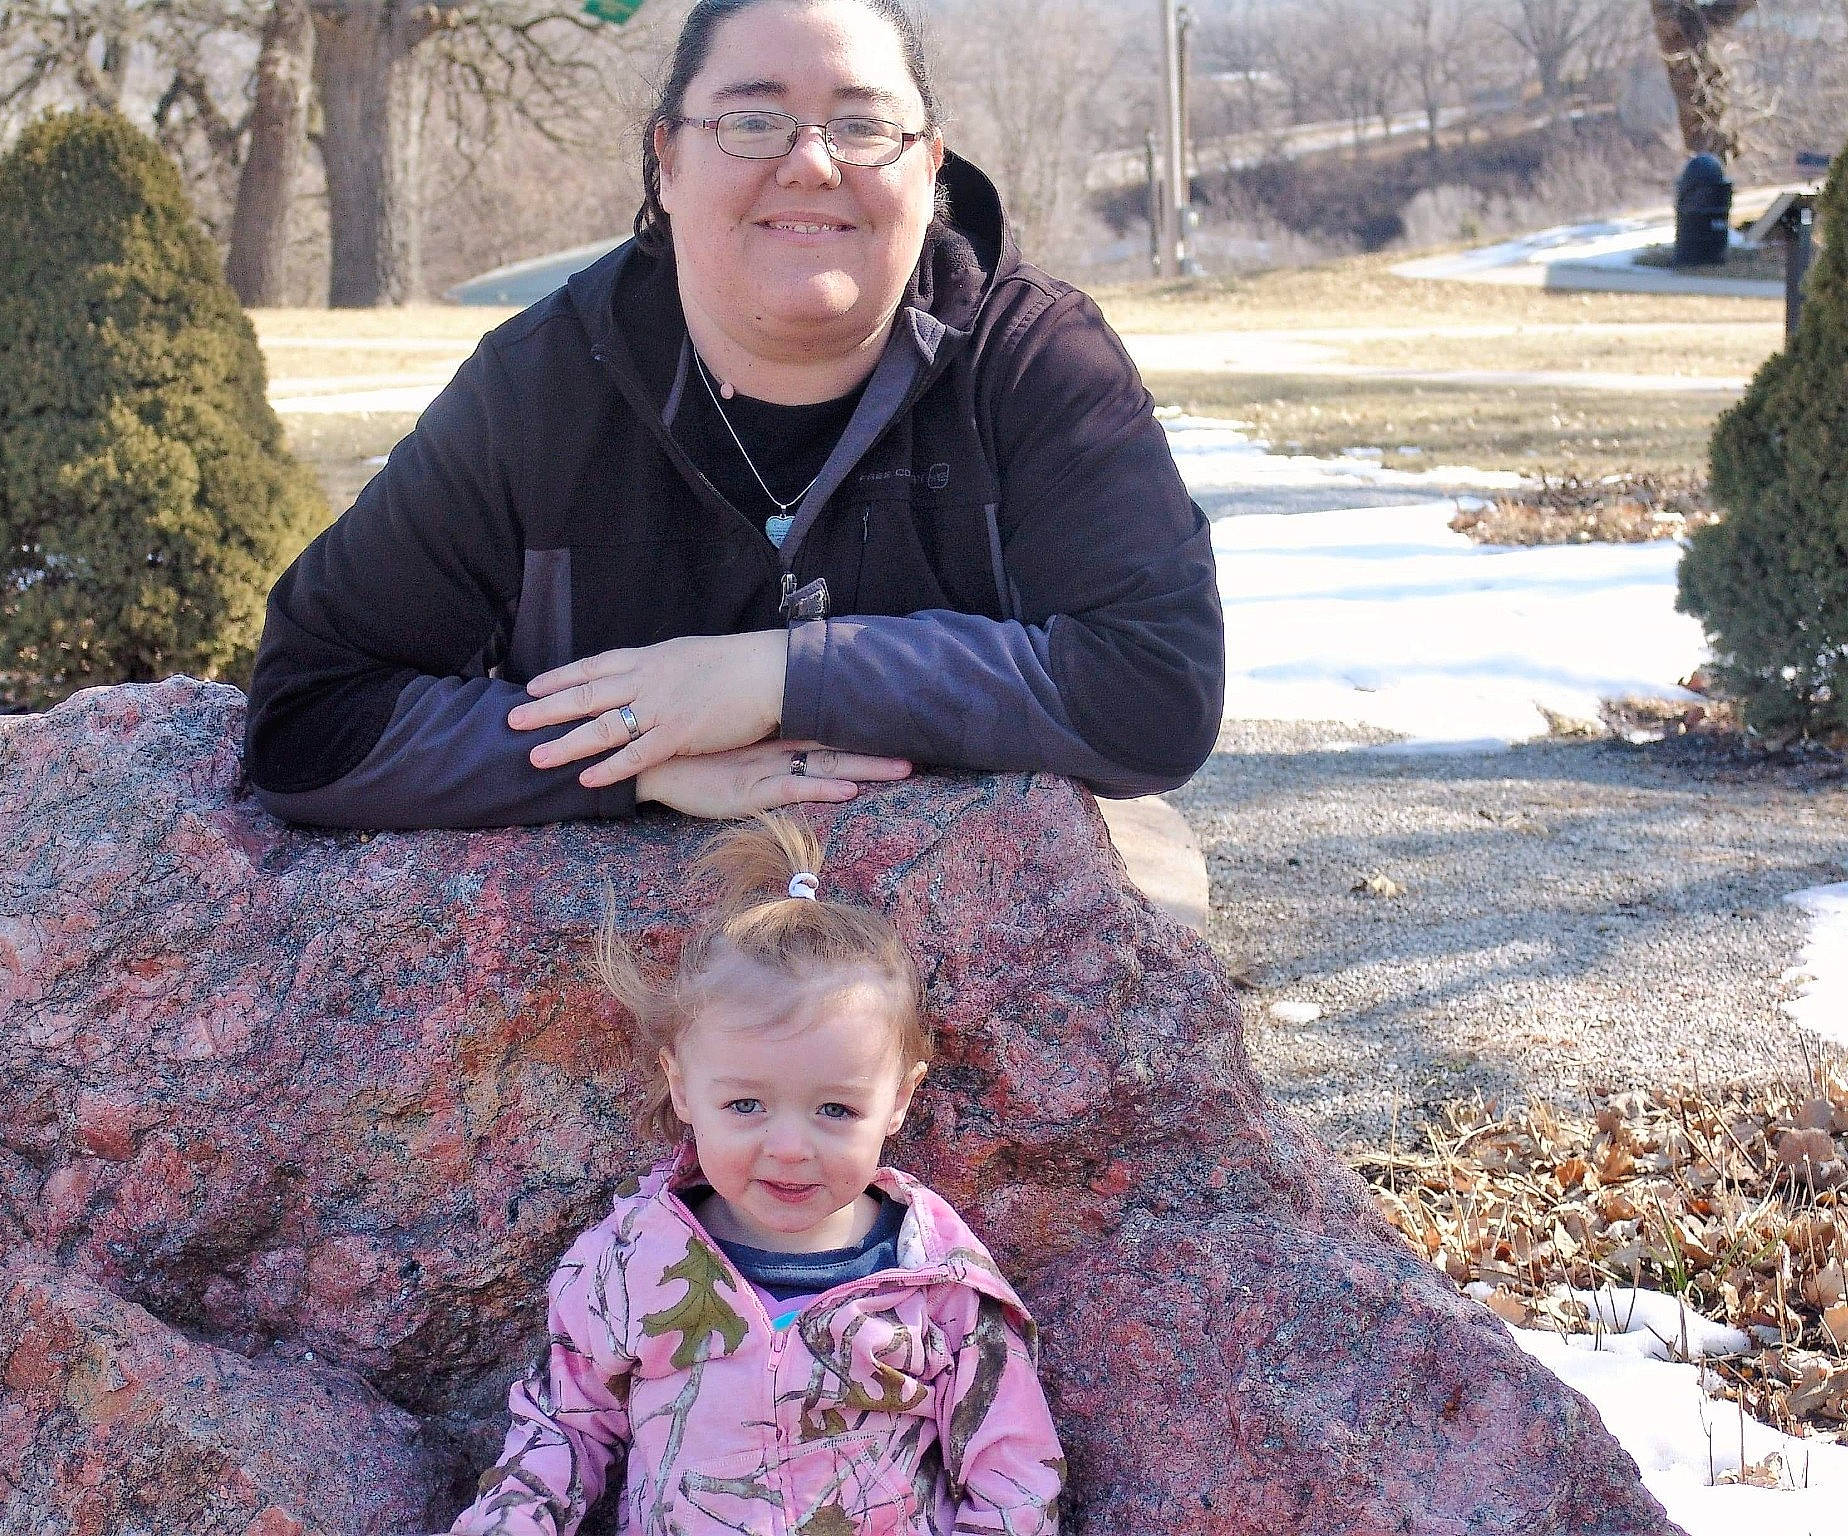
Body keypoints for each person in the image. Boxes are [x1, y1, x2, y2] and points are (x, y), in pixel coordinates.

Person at [244, 0, 1223, 830]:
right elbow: (312, 717)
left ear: (929, 169)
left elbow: (1155, 691)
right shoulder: (536, 389)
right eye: (751, 121)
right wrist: (627, 760)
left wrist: (776, 678)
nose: (809, 163)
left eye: (860, 125)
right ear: (666, 162)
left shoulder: (1032, 359)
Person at [443, 814, 1063, 1535]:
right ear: (682, 1089)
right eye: (745, 1105)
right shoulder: (631, 1257)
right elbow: (565, 1425)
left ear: (898, 1100)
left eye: (835, 1108)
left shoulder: (939, 1287)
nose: (790, 1147)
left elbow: (1014, 1474)